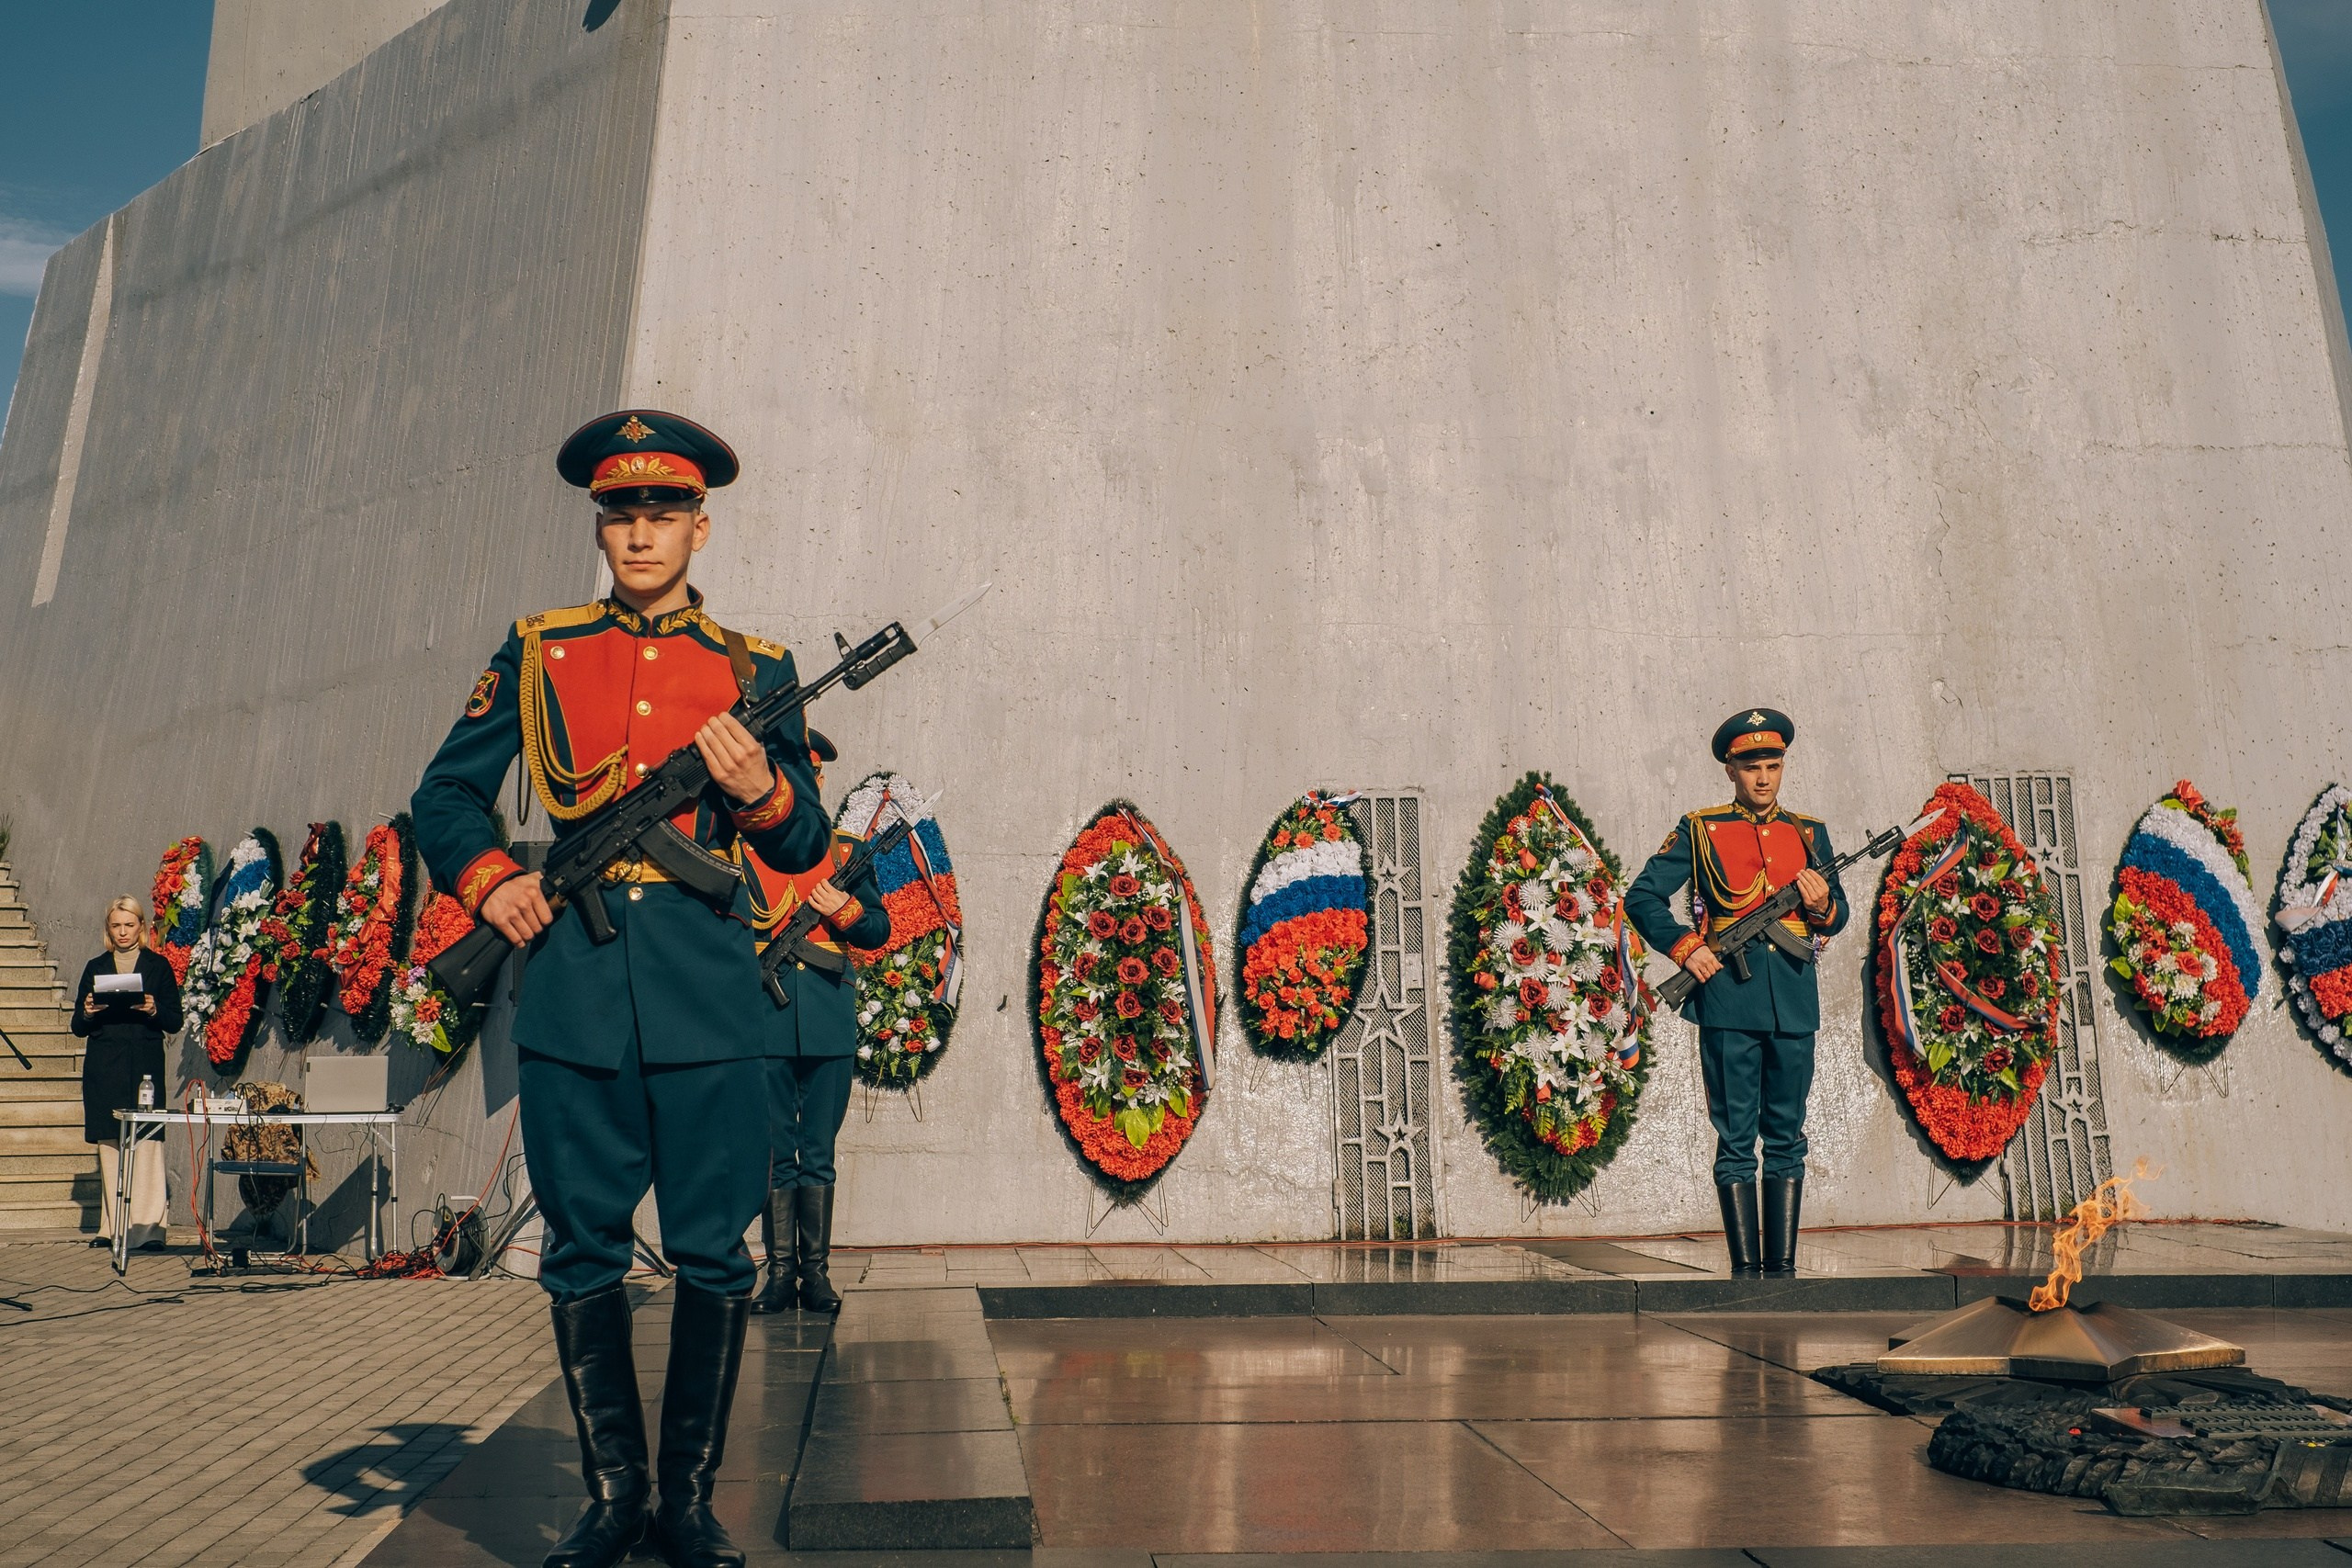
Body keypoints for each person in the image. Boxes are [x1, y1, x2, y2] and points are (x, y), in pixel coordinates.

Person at [411, 410, 831, 1568]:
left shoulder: (757, 671)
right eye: (620, 512)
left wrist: (757, 802)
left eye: (662, 512)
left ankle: (686, 1507)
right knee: (583, 1249)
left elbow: (803, 848)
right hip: (577, 990)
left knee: (713, 1254)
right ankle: (612, 1502)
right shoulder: (540, 650)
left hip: (704, 995)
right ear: (601, 525)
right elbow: (446, 797)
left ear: (701, 526)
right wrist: (493, 880)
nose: (639, 532)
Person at [1625, 708, 1849, 1279]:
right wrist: (1683, 948)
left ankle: (1785, 1271)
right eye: (1752, 768)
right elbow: (1643, 897)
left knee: (1786, 1136)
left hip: (1794, 1003)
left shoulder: (1808, 832)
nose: (1764, 779)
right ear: (1731, 769)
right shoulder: (1701, 830)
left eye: (1773, 766)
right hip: (1728, 1000)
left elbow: (1838, 912)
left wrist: (1822, 905)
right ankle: (1745, 1272)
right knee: (1735, 1138)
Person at [741, 728, 888, 1316]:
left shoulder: (846, 853)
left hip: (826, 1014)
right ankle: (778, 1275)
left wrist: (846, 910)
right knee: (777, 1150)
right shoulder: (740, 850)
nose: (806, 778)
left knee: (818, 1149)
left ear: (818, 780)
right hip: (764, 1018)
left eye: (810, 770)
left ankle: (816, 1276)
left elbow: (879, 930)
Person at [73, 897, 182, 1251]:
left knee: (147, 1142)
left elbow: (175, 1020)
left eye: (129, 925)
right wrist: (88, 1010)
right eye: (116, 926)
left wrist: (154, 1007)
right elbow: (77, 1026)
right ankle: (112, 1226)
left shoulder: (158, 966)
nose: (122, 932)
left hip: (143, 1063)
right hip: (104, 1064)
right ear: (109, 929)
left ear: (141, 926)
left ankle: (149, 1230)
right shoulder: (95, 966)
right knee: (110, 1143)